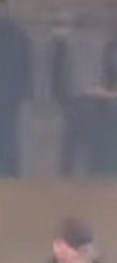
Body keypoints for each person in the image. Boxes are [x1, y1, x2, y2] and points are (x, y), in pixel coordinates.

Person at [0, 0, 32, 176]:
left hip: (9, 93)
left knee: (9, 134)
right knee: (9, 134)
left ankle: (9, 171)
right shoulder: (18, 34)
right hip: (10, 93)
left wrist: (23, 91)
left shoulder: (18, 34)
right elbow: (25, 66)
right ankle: (10, 172)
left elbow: (25, 66)